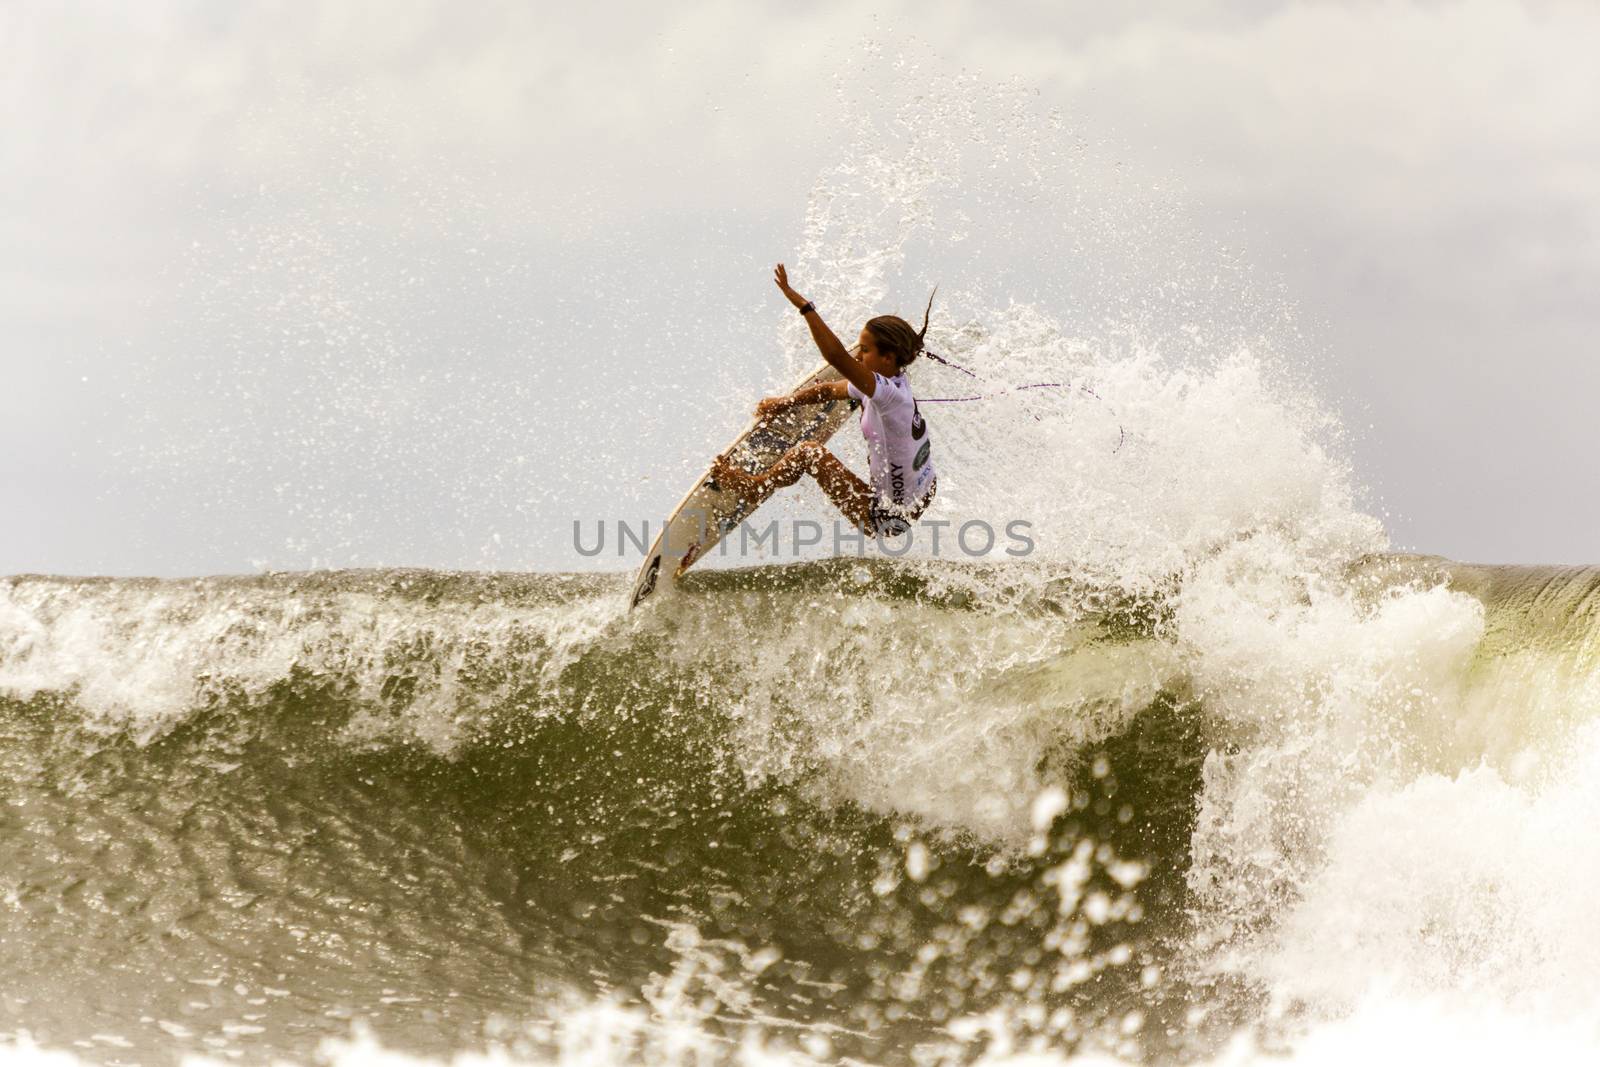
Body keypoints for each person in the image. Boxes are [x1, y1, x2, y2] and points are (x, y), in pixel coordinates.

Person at [711, 264, 938, 537]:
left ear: (888, 358)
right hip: (923, 493)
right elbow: (831, 390)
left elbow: (837, 358)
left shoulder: (888, 395)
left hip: (888, 518)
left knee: (809, 452)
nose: (858, 356)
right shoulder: (892, 385)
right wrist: (785, 403)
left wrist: (805, 307)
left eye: (864, 351)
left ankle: (753, 488)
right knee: (843, 410)